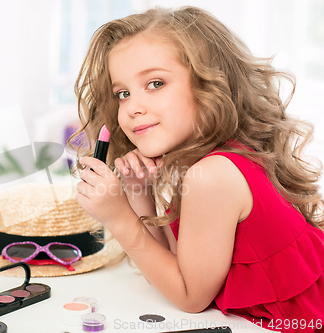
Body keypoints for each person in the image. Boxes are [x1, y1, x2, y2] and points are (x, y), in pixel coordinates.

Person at [70, 6, 324, 332]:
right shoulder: (213, 161)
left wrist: (118, 217)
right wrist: (139, 192)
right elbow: (179, 266)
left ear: (210, 84)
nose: (132, 106)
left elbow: (191, 297)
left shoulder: (213, 175)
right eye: (123, 93)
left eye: (155, 83)